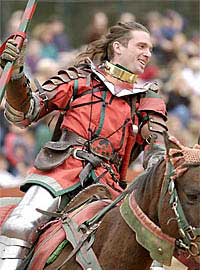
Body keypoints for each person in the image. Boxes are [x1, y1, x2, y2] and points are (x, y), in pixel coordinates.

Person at [0, 21, 168, 269]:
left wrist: (160, 166)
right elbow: (26, 113)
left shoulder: (147, 98)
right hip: (61, 172)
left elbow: (157, 152)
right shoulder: (81, 79)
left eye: (150, 49)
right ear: (118, 47)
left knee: (153, 254)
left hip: (110, 188)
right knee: (20, 225)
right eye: (141, 46)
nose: (148, 54)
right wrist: (15, 74)